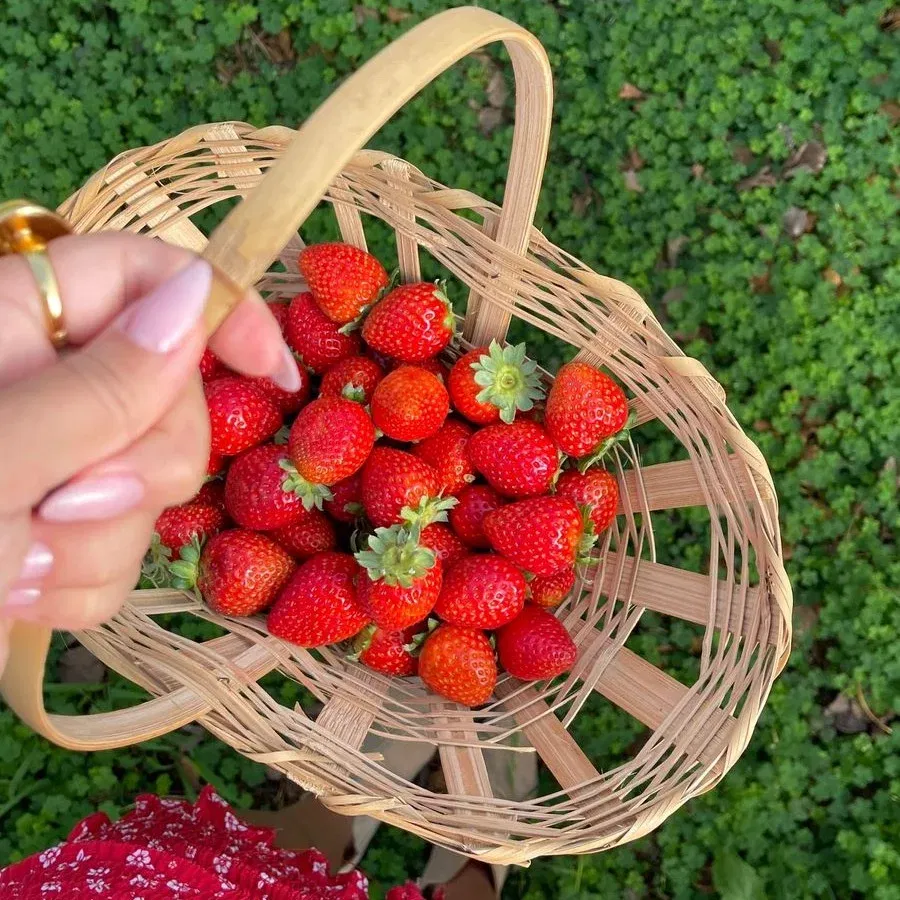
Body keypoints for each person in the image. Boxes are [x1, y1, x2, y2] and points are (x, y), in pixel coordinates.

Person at [0, 229, 503, 899]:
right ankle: (469, 878)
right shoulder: (335, 471)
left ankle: (324, 828)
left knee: (250, 862)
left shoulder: (326, 464)